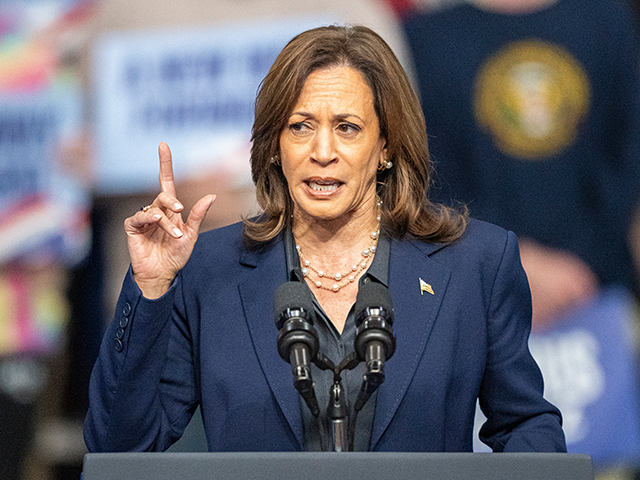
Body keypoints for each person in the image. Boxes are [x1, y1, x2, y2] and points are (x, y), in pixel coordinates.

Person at [83, 25, 565, 453]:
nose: (322, 152)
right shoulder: (208, 272)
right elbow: (121, 445)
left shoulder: (475, 264)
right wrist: (150, 287)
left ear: (386, 146)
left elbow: (524, 423)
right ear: (273, 146)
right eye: (300, 127)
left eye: (347, 128)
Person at [402, 0, 640, 328]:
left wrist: (578, 268)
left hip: (599, 296)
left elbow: (626, 160)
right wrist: (513, 263)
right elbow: (430, 178)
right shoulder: (422, 36)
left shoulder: (608, 18)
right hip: (479, 302)